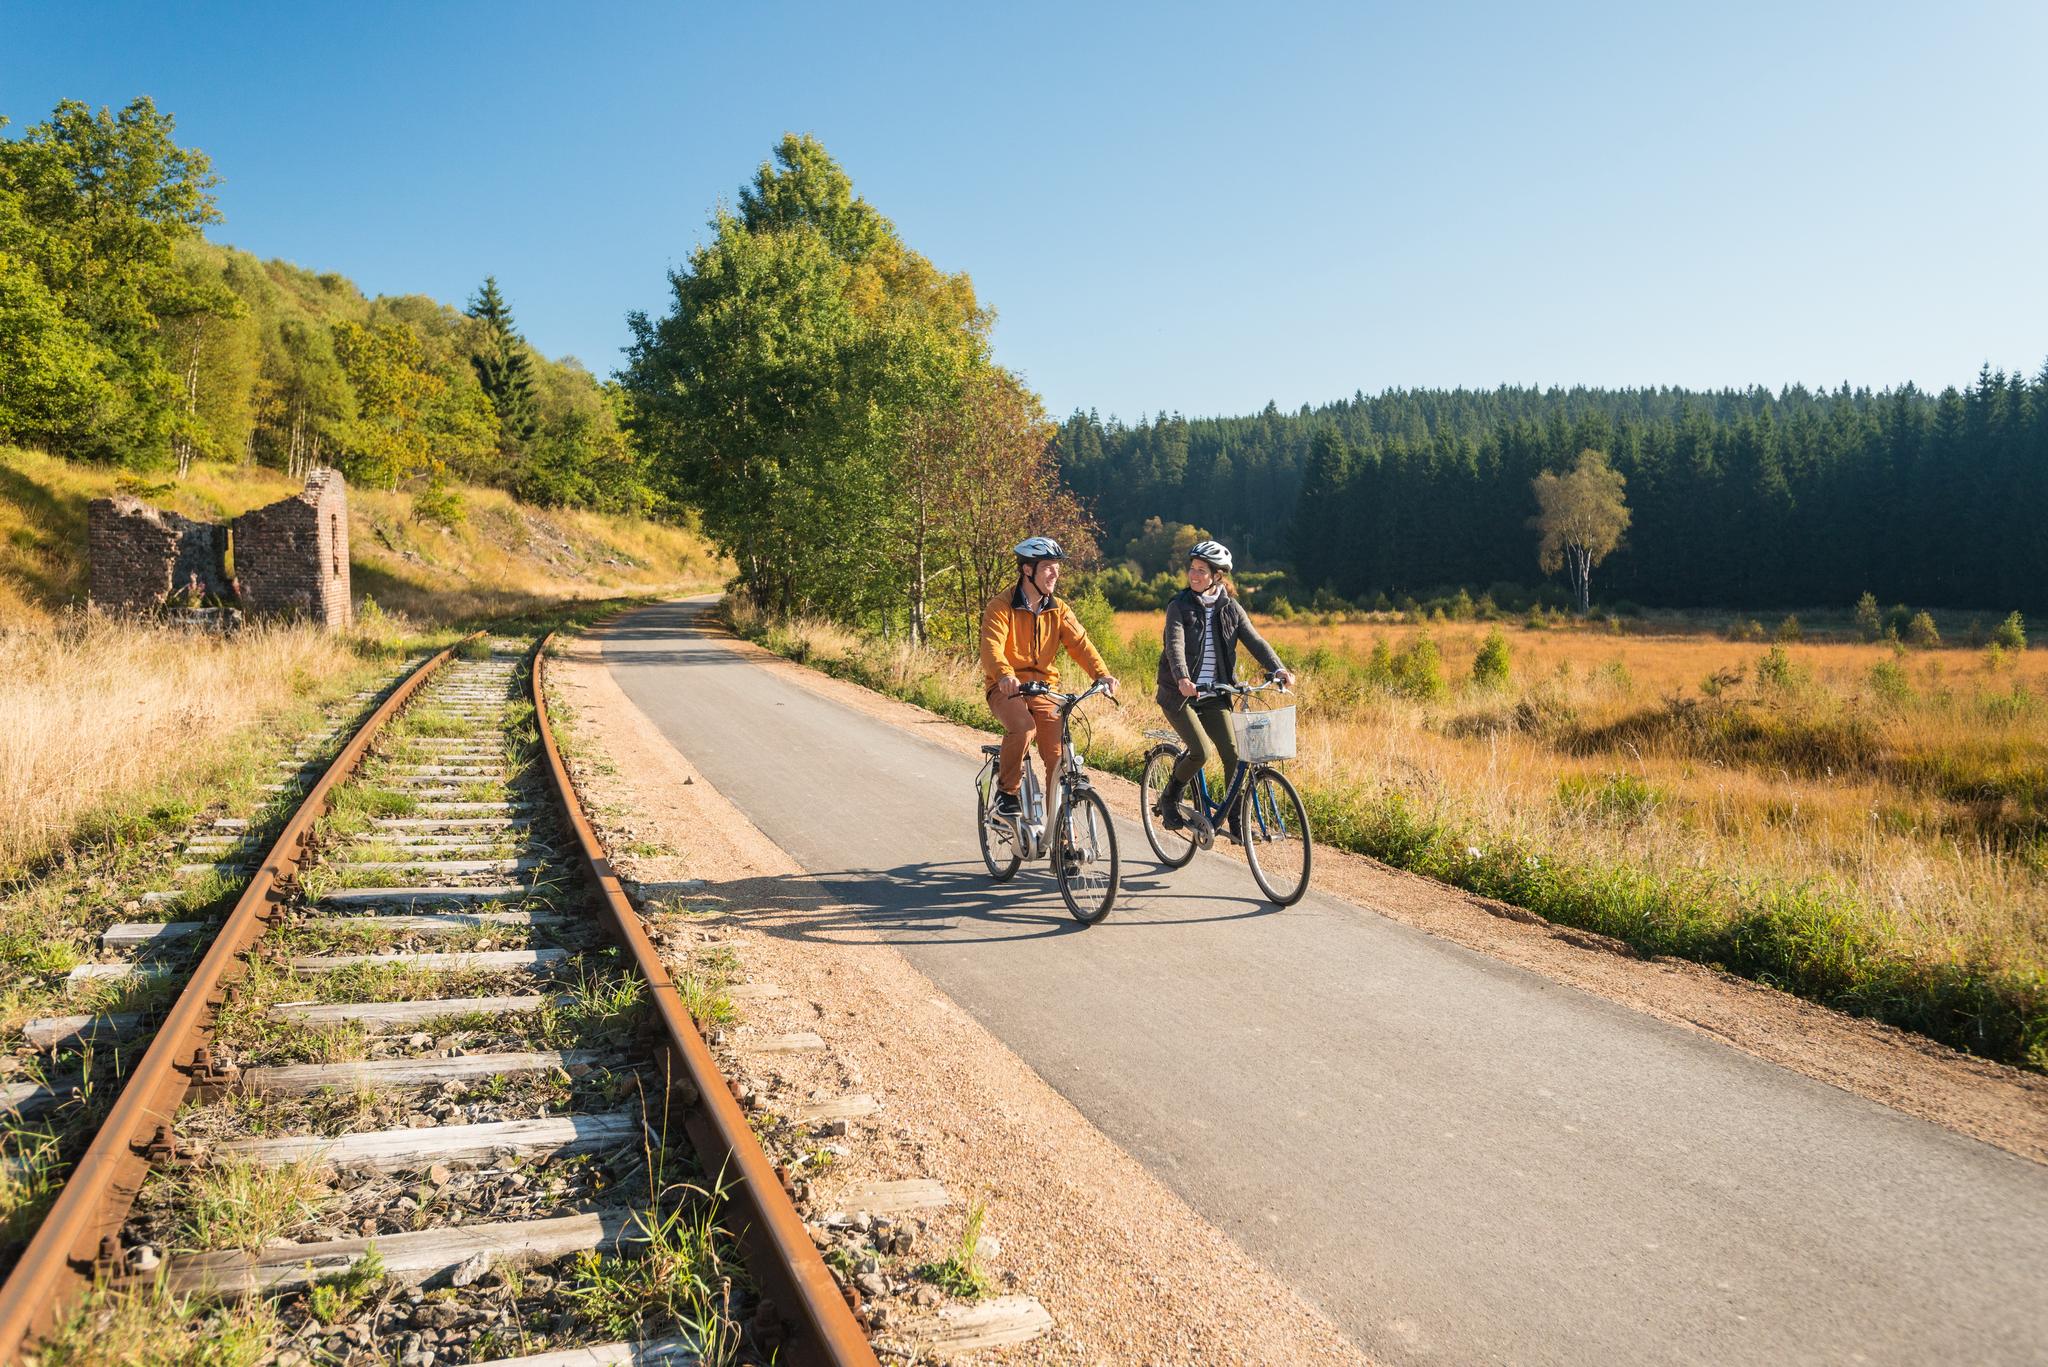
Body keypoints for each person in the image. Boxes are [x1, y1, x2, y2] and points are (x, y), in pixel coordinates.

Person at [1153, 540, 1294, 839]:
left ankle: (1233, 817)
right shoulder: (1178, 606)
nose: (1194, 575)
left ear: (1218, 576)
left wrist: (1278, 668)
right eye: (1192, 569)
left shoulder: (1231, 608)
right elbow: (1174, 645)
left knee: (1233, 754)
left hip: (1215, 694)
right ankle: (1169, 797)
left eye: (1201, 571)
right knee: (1201, 752)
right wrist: (1182, 678)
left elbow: (1255, 641)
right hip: (1180, 696)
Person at [980, 536, 1117, 820]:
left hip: (1043, 689)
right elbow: (991, 648)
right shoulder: (1001, 606)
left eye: (1057, 567)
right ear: (1027, 570)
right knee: (1023, 727)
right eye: (1048, 568)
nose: (1055, 574)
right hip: (1005, 688)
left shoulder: (1058, 609)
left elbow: (1080, 644)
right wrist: (1005, 675)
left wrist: (1102, 674)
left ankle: (1063, 837)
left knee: (1057, 757)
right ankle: (1007, 794)